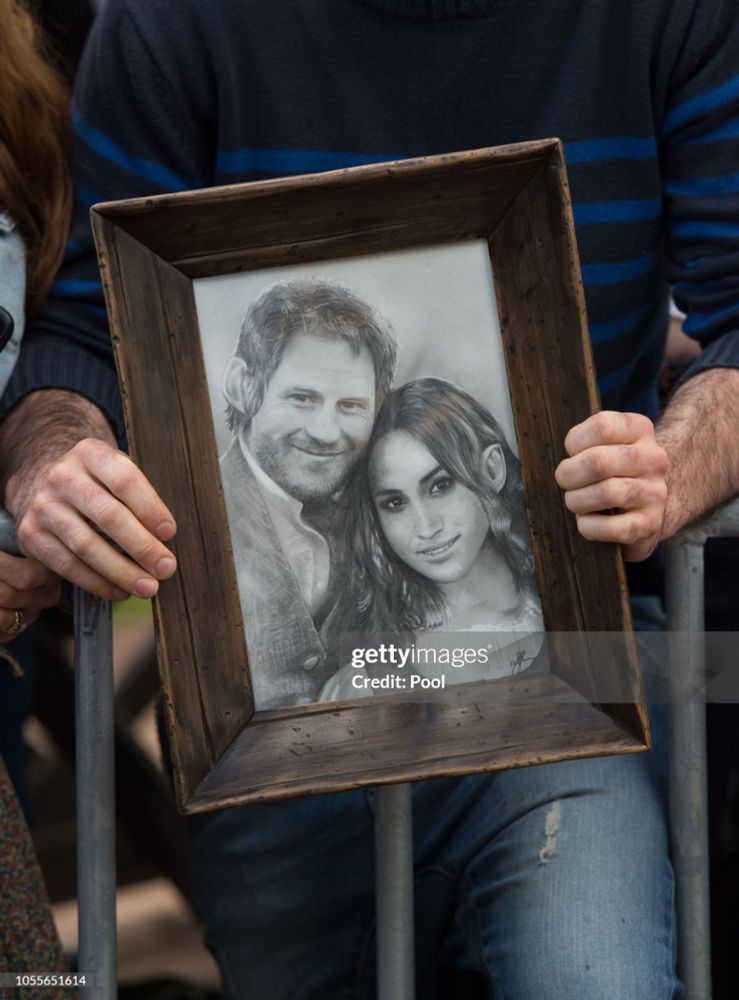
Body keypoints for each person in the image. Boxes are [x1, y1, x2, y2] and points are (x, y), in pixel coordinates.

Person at [1, 0, 738, 996]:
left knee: (594, 972)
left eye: (350, 401)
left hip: (573, 667)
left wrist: (672, 466)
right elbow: (84, 329)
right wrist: (54, 457)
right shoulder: (173, 22)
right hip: (261, 711)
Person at [218, 277, 397, 708]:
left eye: (351, 406)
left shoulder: (394, 504)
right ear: (243, 385)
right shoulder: (195, 512)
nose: (325, 432)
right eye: (301, 398)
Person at [321, 377, 545, 700]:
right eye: (395, 503)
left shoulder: (570, 603)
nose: (425, 527)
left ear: (492, 470)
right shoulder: (367, 680)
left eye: (440, 486)